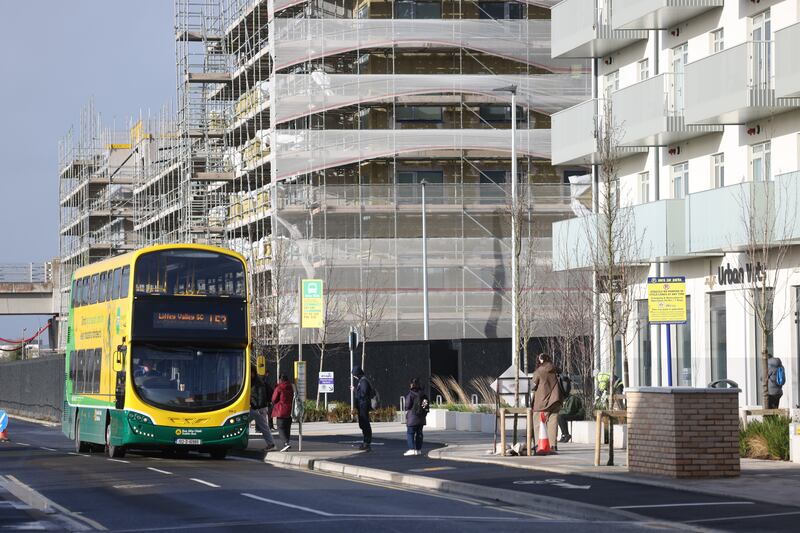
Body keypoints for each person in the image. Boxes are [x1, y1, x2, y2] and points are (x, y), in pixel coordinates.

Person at [531, 353, 563, 455]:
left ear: (540, 360)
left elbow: (532, 386)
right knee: (553, 423)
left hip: (542, 402)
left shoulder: (539, 371)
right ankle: (553, 445)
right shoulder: (556, 370)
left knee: (538, 423)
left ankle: (539, 444)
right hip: (556, 400)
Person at [250, 366, 275, 455]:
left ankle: (271, 444)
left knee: (264, 427)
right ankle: (271, 444)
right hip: (254, 408)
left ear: (253, 372)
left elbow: (261, 395)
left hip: (259, 408)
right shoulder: (252, 381)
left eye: (250, 372)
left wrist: (258, 407)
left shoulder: (258, 382)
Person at [404, 378, 428, 456]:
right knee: (419, 433)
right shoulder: (423, 394)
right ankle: (418, 449)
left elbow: (407, 406)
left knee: (410, 433)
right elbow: (425, 406)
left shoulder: (411, 394)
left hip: (412, 417)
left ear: (412, 384)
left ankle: (411, 449)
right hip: (421, 418)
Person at [352, 366, 373, 451]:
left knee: (365, 424)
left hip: (363, 406)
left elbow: (363, 394)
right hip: (361, 406)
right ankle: (366, 442)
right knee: (362, 424)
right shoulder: (362, 381)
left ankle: (367, 442)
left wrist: (355, 390)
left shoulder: (363, 381)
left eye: (354, 374)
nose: (354, 376)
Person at [271, 374, 294, 452]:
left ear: (280, 379)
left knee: (281, 428)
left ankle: (285, 443)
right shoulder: (291, 387)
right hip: (289, 410)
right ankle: (286, 443)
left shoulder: (279, 388)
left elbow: (274, 399)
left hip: (281, 410)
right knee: (287, 428)